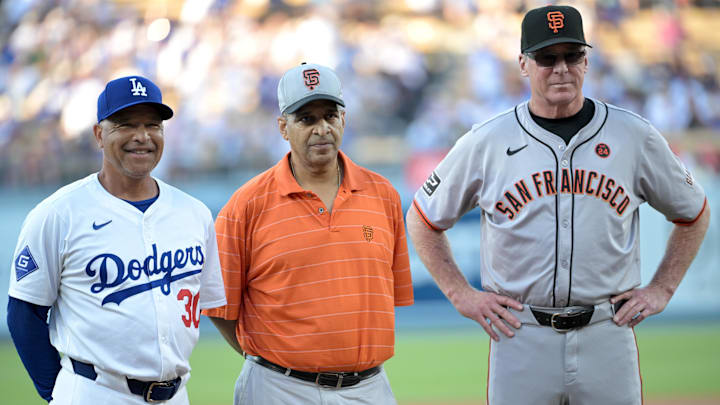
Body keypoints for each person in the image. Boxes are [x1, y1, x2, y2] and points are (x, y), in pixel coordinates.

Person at [406, 5, 710, 405]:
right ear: (523, 64)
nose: (561, 68)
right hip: (521, 334)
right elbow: (423, 218)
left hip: (607, 330)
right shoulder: (487, 140)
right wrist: (462, 294)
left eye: (572, 55)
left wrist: (662, 288)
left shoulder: (633, 135)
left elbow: (694, 212)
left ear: (587, 60)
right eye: (547, 58)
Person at [7, 75, 227, 404]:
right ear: (99, 134)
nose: (142, 137)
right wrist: (56, 393)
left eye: (153, 125)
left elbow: (204, 302)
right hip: (95, 390)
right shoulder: (58, 213)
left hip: (177, 393)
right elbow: (24, 313)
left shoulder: (193, 213)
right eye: (125, 125)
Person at [202, 62, 414, 405]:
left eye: (330, 116)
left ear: (343, 119)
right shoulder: (246, 204)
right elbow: (216, 304)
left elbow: (390, 294)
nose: (322, 128)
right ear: (283, 127)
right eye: (307, 119)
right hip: (279, 389)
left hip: (368, 388)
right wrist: (268, 361)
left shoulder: (383, 194)